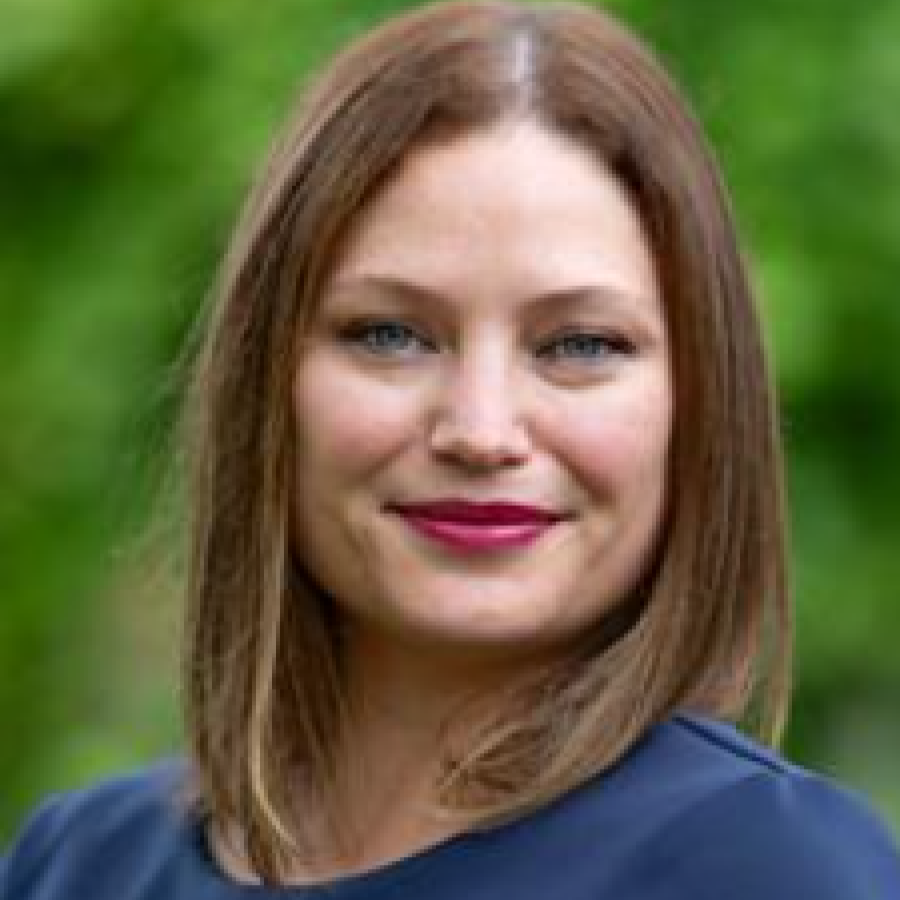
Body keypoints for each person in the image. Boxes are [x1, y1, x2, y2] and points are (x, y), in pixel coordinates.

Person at [3, 1, 899, 897]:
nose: (480, 431)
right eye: (390, 335)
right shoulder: (80, 864)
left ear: (696, 404)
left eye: (580, 345)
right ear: (265, 383)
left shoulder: (773, 870)